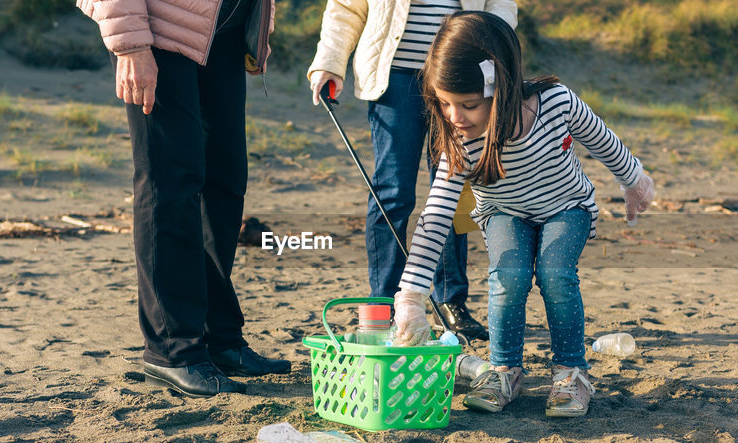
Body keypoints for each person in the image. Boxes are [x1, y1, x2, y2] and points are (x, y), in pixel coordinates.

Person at [389, 12, 656, 418]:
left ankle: (571, 373)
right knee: (508, 274)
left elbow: (603, 140)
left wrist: (634, 181)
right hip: (504, 213)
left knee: (554, 271)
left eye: (469, 104)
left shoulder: (555, 103)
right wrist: (410, 297)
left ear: (501, 85)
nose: (455, 117)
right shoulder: (459, 144)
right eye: (444, 104)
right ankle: (504, 370)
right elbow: (436, 216)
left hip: (566, 207)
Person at [78, 0, 290, 398]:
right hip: (159, 32)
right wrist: (132, 46)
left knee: (225, 182)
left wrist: (257, 28)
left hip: (220, 35)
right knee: (169, 183)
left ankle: (217, 337)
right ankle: (172, 349)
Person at [307, 0, 520, 341]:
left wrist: (489, 48)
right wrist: (329, 62)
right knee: (392, 191)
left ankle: (450, 301)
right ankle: (383, 304)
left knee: (453, 190)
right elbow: (347, 7)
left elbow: (501, 5)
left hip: (459, 76)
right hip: (394, 78)